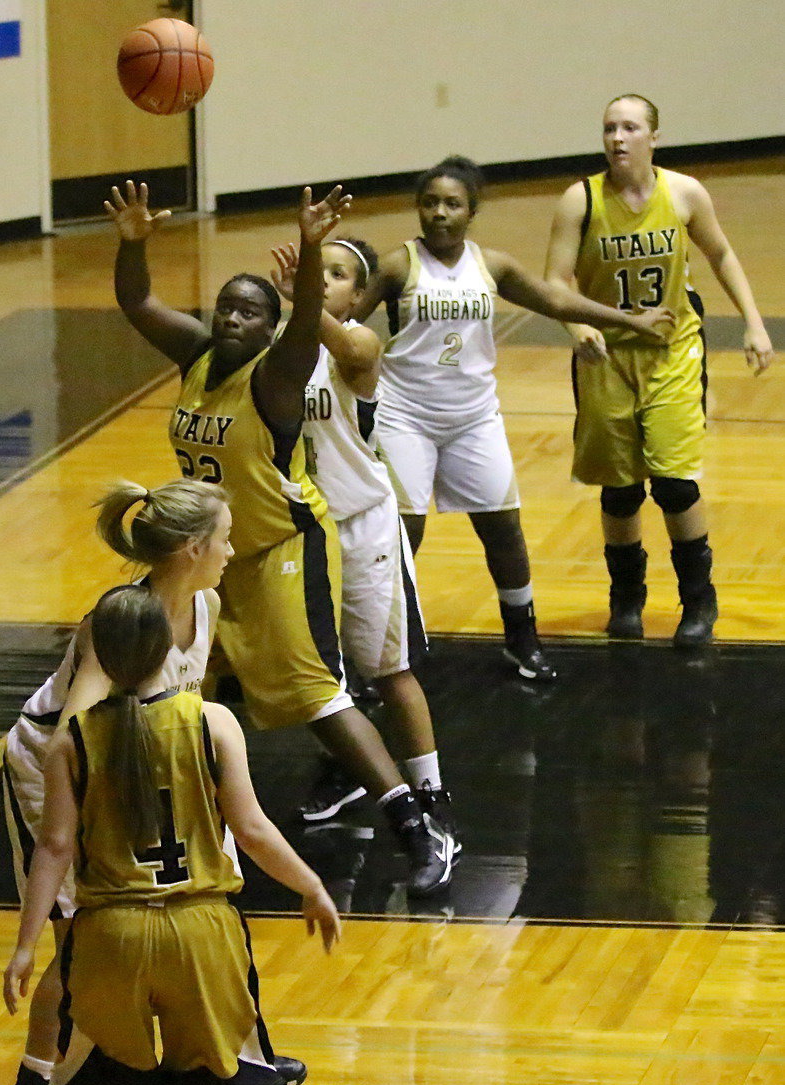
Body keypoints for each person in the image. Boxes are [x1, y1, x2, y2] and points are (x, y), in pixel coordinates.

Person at [106, 180, 457, 894]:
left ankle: (418, 825)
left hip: (283, 552)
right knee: (175, 683)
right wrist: (134, 242)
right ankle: (167, 824)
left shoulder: (278, 377)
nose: (234, 317)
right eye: (226, 307)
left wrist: (308, 252)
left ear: (271, 329)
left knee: (317, 694)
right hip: (211, 557)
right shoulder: (200, 357)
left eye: (250, 310)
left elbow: (306, 328)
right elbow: (138, 303)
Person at [0, 478, 306, 1085]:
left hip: (144, 759)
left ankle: (227, 1052)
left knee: (212, 901)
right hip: (62, 769)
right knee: (81, 944)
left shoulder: (206, 601)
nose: (232, 549)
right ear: (195, 547)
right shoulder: (118, 620)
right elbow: (76, 733)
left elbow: (186, 706)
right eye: (225, 538)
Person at [353, 155, 674, 682]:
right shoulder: (397, 265)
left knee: (504, 528)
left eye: (452, 204)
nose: (439, 213)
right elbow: (344, 320)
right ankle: (380, 653)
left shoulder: (492, 266)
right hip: (405, 417)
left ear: (471, 212)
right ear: (418, 209)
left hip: (474, 418)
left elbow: (553, 298)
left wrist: (628, 321)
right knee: (400, 538)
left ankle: (522, 639)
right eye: (429, 202)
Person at [544, 94, 774, 646]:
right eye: (609, 128)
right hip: (607, 358)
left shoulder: (684, 192)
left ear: (654, 136)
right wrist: (580, 330)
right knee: (620, 491)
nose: (618, 138)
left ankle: (699, 600)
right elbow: (555, 281)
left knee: (674, 485)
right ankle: (627, 598)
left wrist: (753, 321)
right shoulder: (580, 201)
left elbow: (721, 254)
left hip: (672, 353)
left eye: (630, 128)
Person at [269, 234, 455, 834]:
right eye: (313, 272)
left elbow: (348, 344)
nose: (322, 279)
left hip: (363, 526)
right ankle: (348, 769)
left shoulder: (360, 345)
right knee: (323, 676)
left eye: (337, 274)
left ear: (359, 293)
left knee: (390, 671)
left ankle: (430, 794)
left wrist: (301, 297)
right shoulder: (275, 348)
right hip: (301, 533)